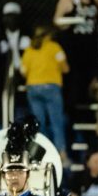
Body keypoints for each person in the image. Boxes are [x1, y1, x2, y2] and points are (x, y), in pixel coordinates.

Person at [53, 0, 98, 110]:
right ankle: (71, 115)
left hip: (91, 50)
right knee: (74, 85)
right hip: (74, 50)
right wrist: (72, 21)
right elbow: (57, 21)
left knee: (91, 83)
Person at [21, 26, 69, 163]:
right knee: (56, 122)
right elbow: (65, 67)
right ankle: (62, 154)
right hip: (50, 87)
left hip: (33, 88)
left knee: (38, 124)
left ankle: (42, 156)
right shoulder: (54, 47)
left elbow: (23, 71)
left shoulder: (30, 49)